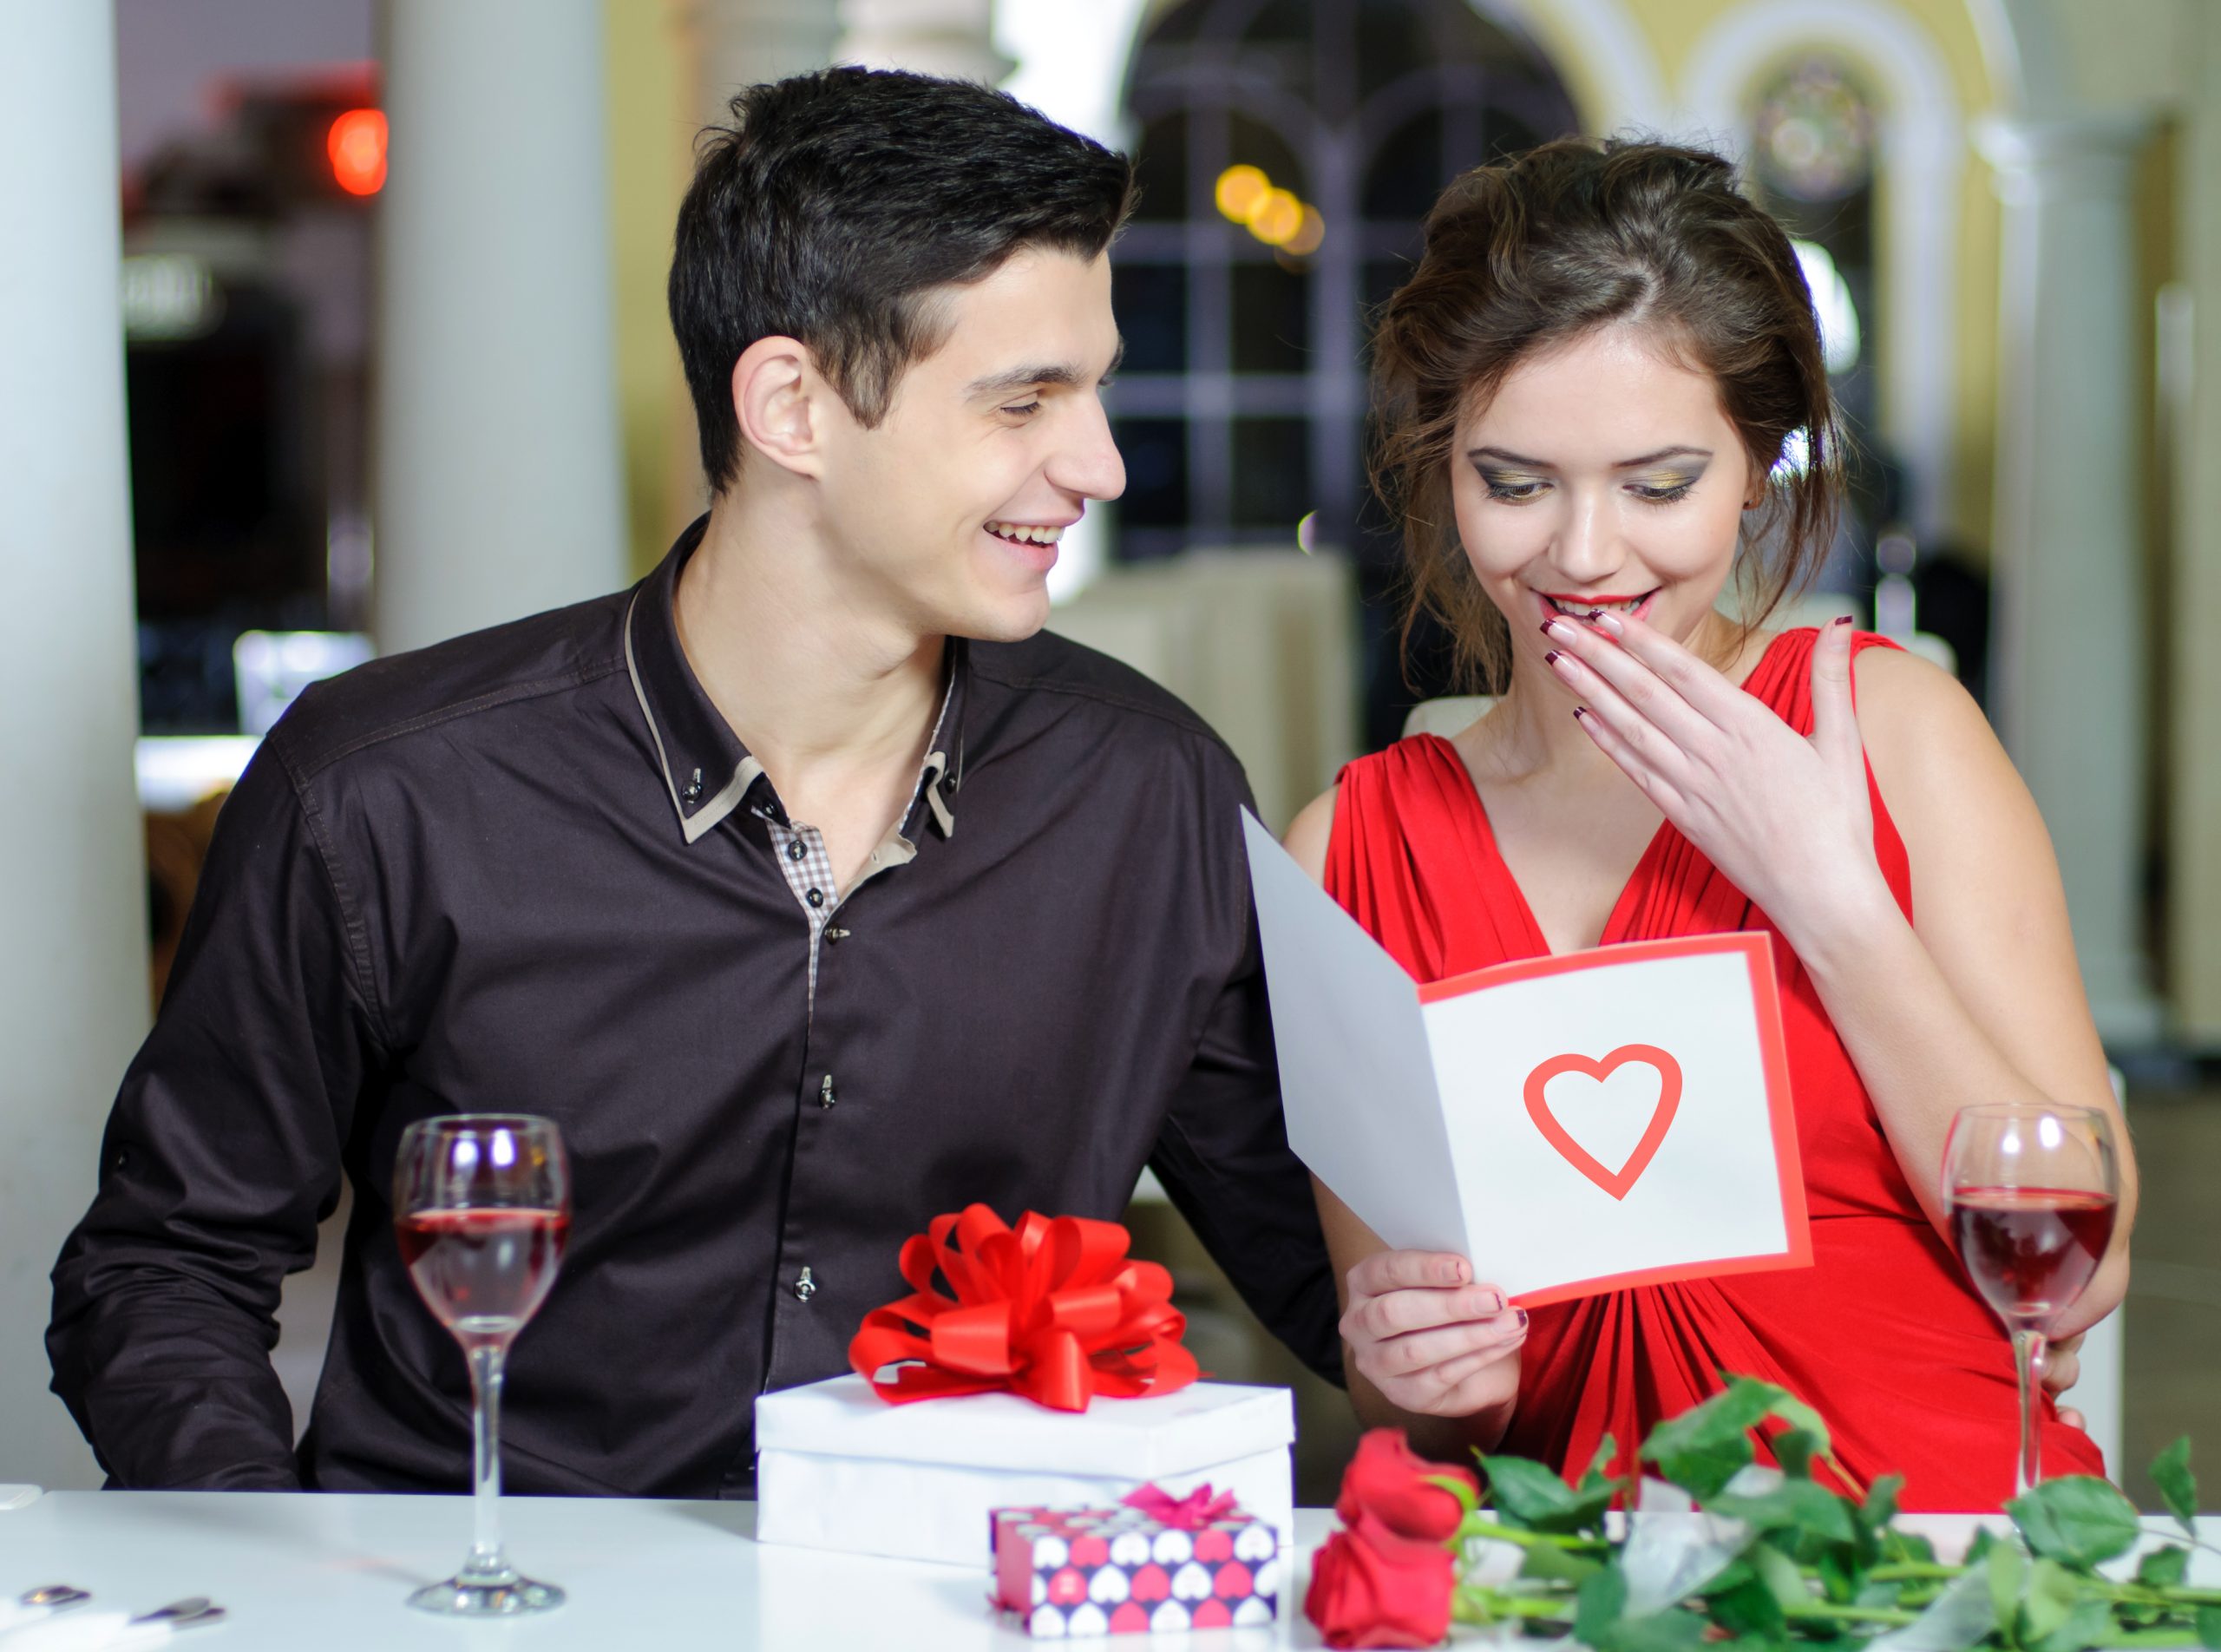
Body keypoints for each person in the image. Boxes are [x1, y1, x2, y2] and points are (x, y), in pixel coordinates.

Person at [49, 68, 1339, 1496]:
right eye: (1025, 400)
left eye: (1093, 390)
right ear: (791, 405)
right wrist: (285, 1575)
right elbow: (163, 1271)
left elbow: (1336, 1277)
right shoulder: (384, 792)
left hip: (935, 1587)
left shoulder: (1150, 797)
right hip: (479, 1590)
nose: (1097, 464)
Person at [1281, 137, 2134, 1508]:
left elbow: (2081, 1268)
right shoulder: (1350, 852)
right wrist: (1423, 1372)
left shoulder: (1895, 735)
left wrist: (1829, 899)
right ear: (1444, 470)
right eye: (1515, 482)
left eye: (1659, 484)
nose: (1582, 554)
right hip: (1579, 1575)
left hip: (1936, 1543)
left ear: (1755, 467)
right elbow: (1417, 1414)